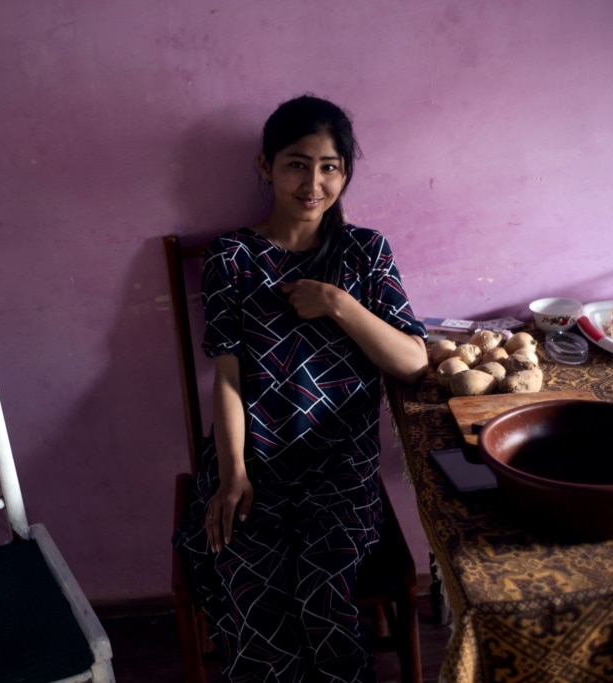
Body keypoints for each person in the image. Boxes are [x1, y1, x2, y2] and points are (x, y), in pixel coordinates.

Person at [173, 94, 429, 682]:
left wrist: (339, 304)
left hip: (341, 468)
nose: (313, 182)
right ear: (265, 166)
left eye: (330, 166)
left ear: (345, 172)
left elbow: (413, 362)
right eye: (296, 163)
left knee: (324, 588)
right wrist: (233, 472)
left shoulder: (365, 253)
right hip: (254, 459)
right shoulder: (232, 257)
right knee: (251, 590)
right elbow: (229, 375)